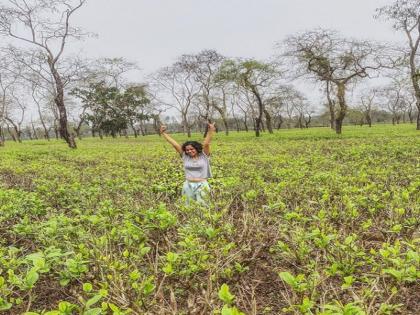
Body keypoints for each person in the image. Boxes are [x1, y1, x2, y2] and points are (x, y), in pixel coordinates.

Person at [160, 123, 216, 204]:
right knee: (188, 207)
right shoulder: (185, 157)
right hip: (188, 185)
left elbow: (206, 144)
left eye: (192, 149)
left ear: (196, 148)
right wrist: (163, 133)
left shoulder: (204, 156)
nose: (189, 151)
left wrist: (210, 131)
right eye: (187, 150)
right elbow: (175, 144)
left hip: (202, 185)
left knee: (203, 208)